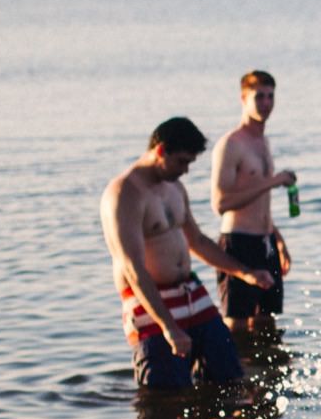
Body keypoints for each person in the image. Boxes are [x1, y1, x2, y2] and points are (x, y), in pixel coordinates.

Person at [103, 118, 275, 389]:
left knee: (230, 379)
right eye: (182, 162)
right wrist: (168, 326)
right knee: (167, 399)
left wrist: (246, 273)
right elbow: (131, 268)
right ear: (161, 151)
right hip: (150, 304)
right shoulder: (125, 193)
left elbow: (196, 241)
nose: (185, 171)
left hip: (191, 294)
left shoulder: (174, 187)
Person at [210, 70, 298, 333]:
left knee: (267, 322)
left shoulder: (263, 142)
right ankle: (233, 374)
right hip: (238, 242)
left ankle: (269, 376)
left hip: (265, 242)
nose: (266, 103)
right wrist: (273, 181)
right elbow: (220, 203)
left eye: (271, 96)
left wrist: (278, 240)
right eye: (259, 97)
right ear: (243, 98)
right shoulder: (231, 144)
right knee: (237, 324)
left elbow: (260, 203)